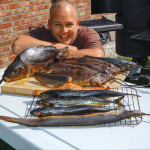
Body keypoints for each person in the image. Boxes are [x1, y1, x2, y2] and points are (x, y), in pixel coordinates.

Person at [12, 1, 105, 58]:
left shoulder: (87, 34)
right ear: (49, 24)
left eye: (69, 24)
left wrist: (61, 55)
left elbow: (98, 54)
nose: (64, 30)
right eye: (57, 24)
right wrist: (58, 48)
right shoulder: (42, 31)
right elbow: (17, 46)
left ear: (77, 24)